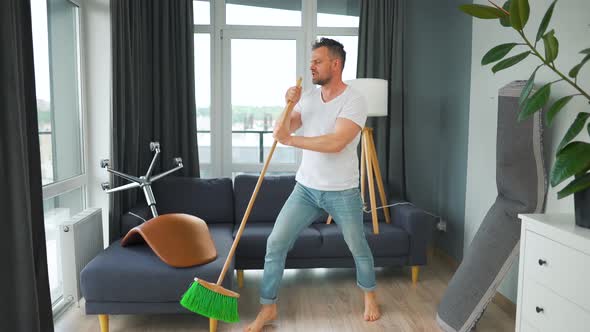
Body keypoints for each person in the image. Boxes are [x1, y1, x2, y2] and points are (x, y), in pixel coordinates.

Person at [245, 38, 380, 332]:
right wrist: (288, 105)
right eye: (311, 62)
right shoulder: (307, 97)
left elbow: (336, 142)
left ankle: (369, 295)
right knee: (275, 243)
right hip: (305, 189)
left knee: (358, 245)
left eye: (318, 61)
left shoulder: (354, 100)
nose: (312, 67)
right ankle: (268, 307)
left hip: (342, 191)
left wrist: (292, 140)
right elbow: (281, 131)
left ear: (336, 64)